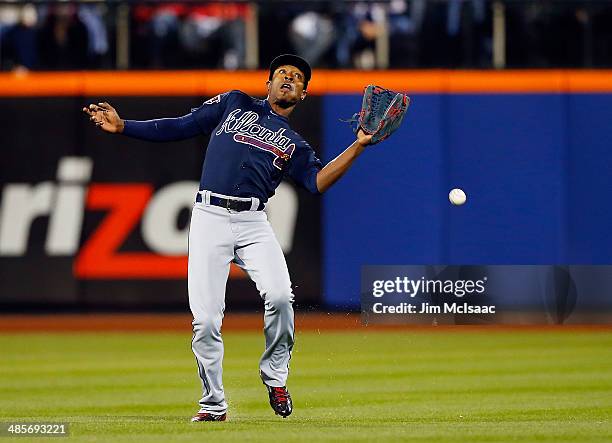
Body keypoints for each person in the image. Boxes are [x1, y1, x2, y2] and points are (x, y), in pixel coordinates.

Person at [82, 54, 373, 421]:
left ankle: (276, 376)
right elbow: (181, 125)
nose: (288, 78)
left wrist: (358, 145)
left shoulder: (295, 145)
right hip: (209, 217)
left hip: (253, 221)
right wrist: (125, 126)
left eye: (297, 77)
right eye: (281, 72)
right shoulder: (234, 102)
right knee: (204, 320)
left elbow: (316, 183)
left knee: (282, 296)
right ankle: (214, 405)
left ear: (302, 95)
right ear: (267, 84)